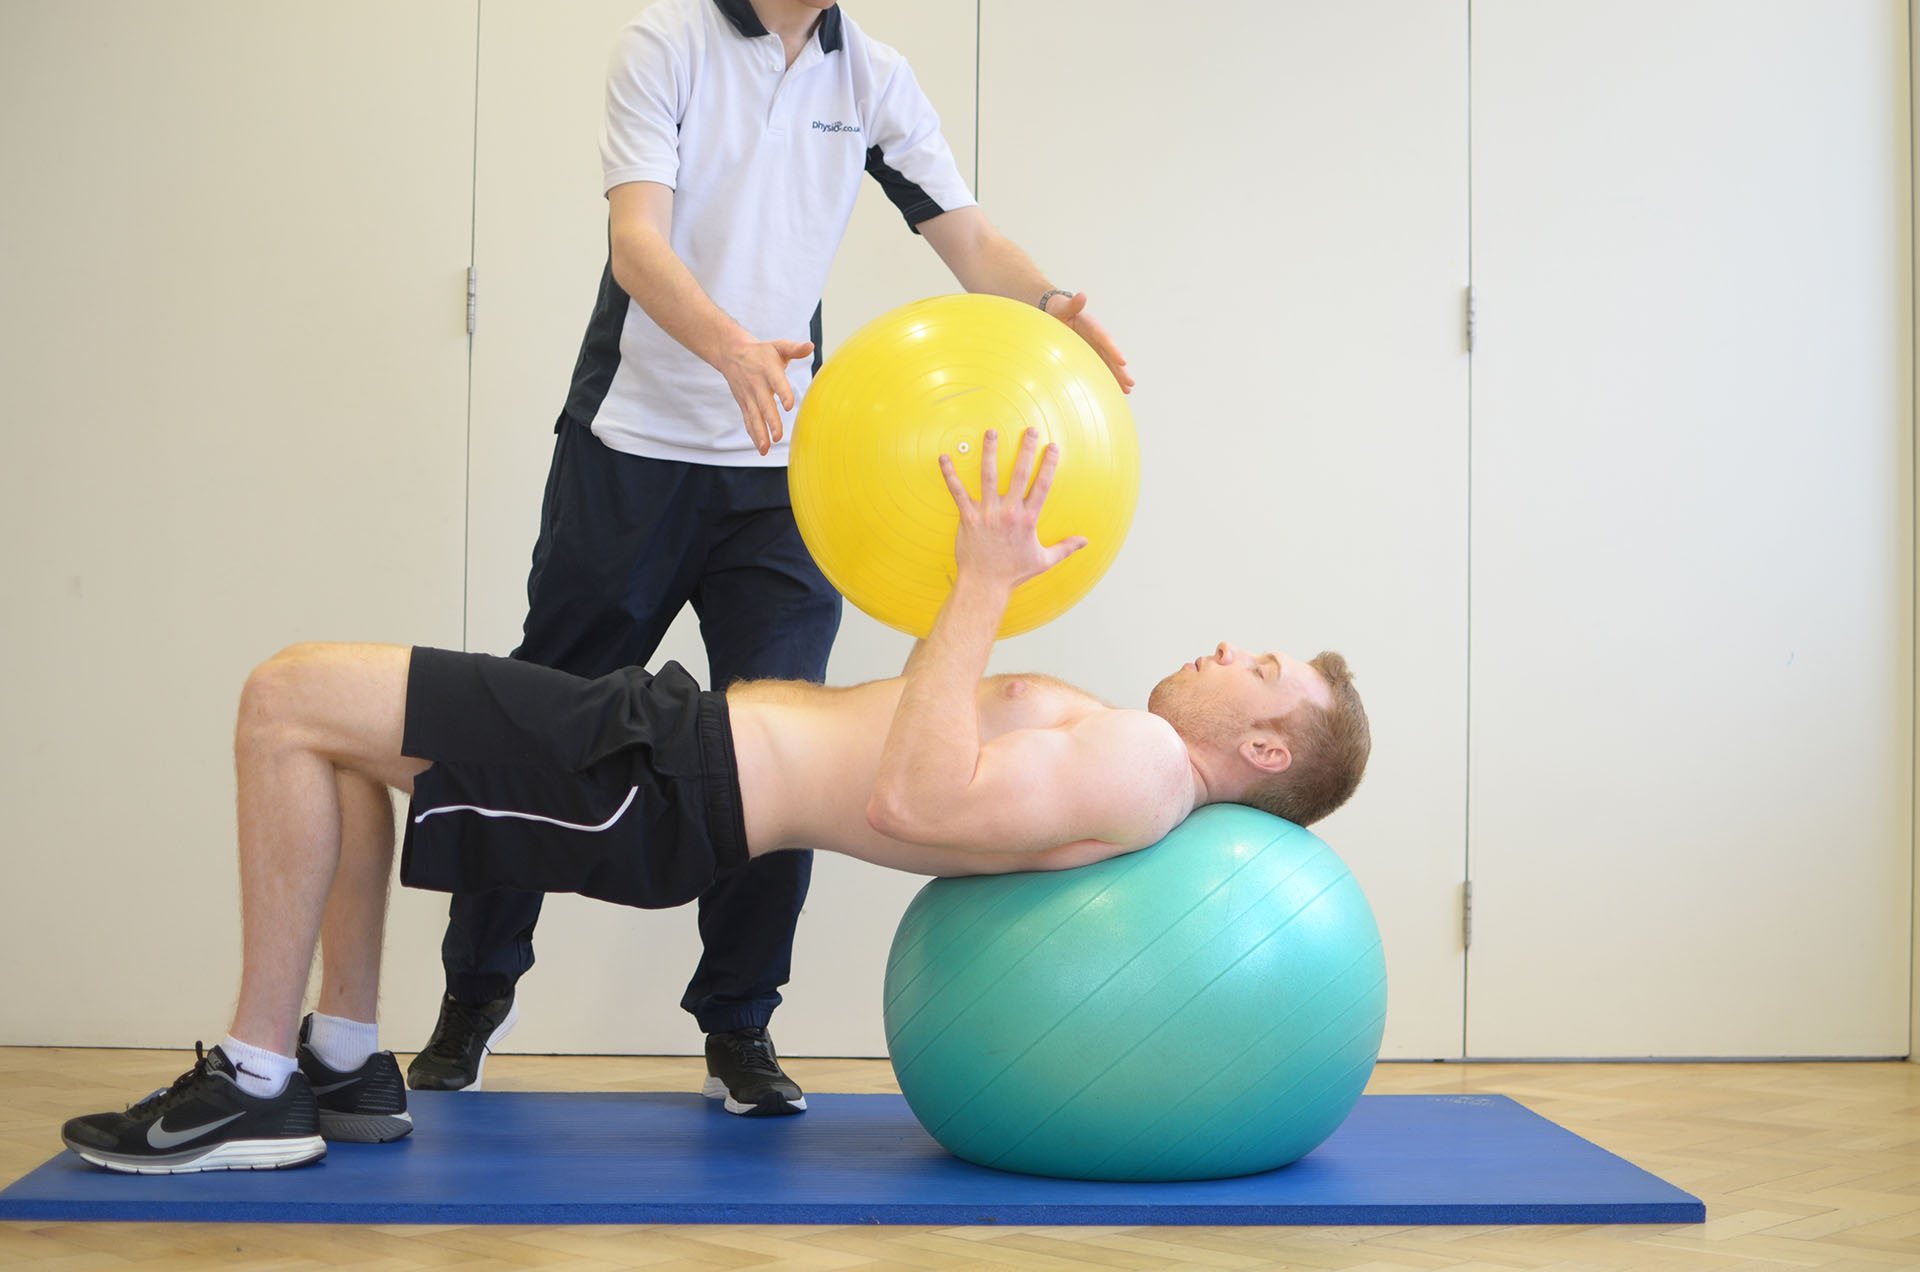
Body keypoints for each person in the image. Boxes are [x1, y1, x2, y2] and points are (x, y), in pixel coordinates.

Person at [59, 430, 1367, 1175]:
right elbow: (930, 737)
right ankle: (341, 1066)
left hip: (666, 781)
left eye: (1257, 669)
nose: (1226, 643)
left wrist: (980, 587)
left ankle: (252, 1080)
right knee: (336, 743)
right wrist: (961, 587)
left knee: (285, 698)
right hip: (675, 750)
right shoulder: (1127, 755)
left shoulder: (1145, 767)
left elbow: (914, 802)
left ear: (1261, 748)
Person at [417, 0, 1137, 1112]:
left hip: (790, 481)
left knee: (786, 742)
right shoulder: (668, 44)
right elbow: (637, 242)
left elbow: (971, 240)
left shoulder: (874, 79)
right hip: (631, 453)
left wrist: (1051, 308)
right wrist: (731, 350)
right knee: (541, 718)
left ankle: (740, 1026)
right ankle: (471, 1002)